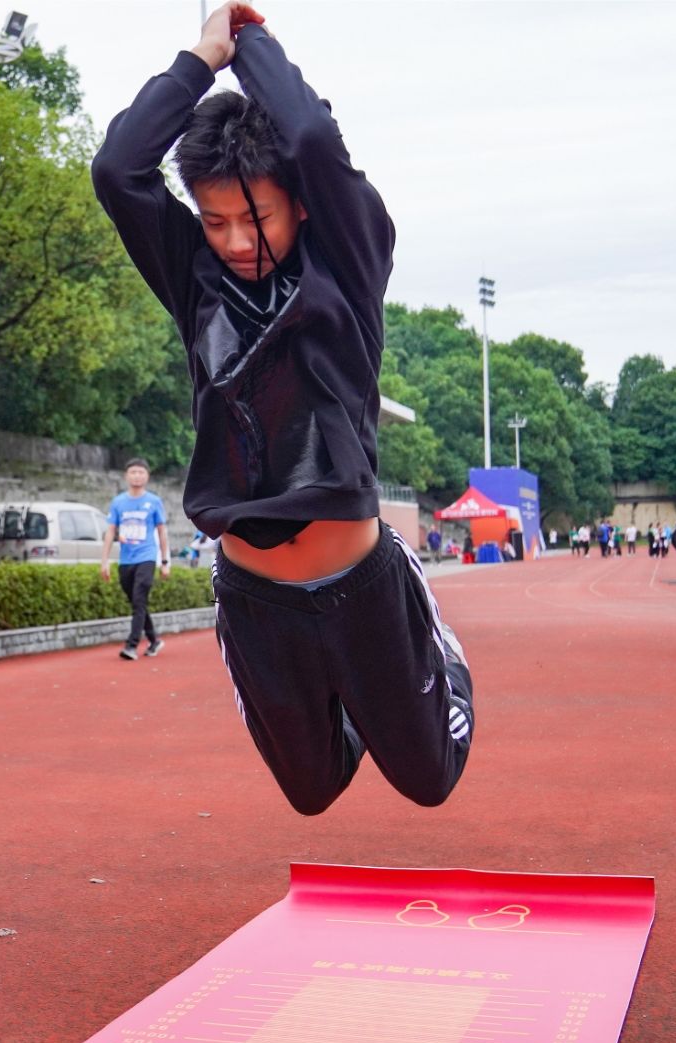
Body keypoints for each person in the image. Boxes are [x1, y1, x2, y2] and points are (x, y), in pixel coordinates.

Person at [92, 2, 473, 816]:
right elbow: (118, 169)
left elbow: (310, 140)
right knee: (312, 791)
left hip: (359, 580)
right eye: (215, 220)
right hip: (257, 593)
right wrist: (198, 60)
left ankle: (432, 642)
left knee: (429, 779)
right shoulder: (192, 277)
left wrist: (250, 43)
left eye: (254, 217)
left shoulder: (348, 263)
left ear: (298, 203)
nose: (235, 241)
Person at [100, 458, 172, 660]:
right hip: (126, 561)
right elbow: (110, 531)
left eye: (141, 472)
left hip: (147, 557)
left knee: (139, 599)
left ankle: (131, 646)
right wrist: (104, 561)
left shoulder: (154, 501)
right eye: (133, 472)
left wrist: (164, 562)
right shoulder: (118, 502)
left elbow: (162, 532)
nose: (137, 476)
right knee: (137, 603)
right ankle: (154, 640)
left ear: (147, 476)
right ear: (126, 476)